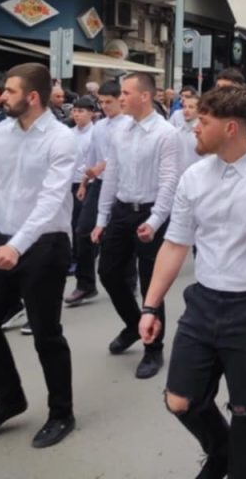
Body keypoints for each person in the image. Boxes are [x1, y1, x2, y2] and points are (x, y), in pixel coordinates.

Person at [140, 84, 246, 478]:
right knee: (180, 400)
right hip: (204, 304)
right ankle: (221, 454)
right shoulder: (194, 177)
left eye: (203, 121)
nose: (194, 128)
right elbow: (175, 244)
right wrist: (150, 306)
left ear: (230, 128)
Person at [0, 62, 77, 448]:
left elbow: (51, 200)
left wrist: (18, 246)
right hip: (2, 239)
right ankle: (9, 399)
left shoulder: (62, 139)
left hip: (45, 244)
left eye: (9, 91)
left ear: (32, 97)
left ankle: (61, 413)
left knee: (46, 334)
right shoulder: (1, 132)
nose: (2, 97)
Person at [92, 72, 181, 380]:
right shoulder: (120, 131)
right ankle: (134, 324)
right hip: (121, 210)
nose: (121, 98)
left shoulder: (166, 134)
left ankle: (153, 348)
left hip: (150, 212)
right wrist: (101, 219)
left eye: (126, 93)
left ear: (145, 96)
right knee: (108, 273)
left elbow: (169, 181)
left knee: (150, 285)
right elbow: (111, 176)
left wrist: (155, 220)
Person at [66, 81, 133, 307]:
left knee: (121, 233)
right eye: (102, 102)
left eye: (109, 102)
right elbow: (92, 158)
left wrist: (101, 167)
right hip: (100, 183)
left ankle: (128, 280)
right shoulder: (100, 127)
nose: (105, 106)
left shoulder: (129, 125)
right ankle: (85, 284)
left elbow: (123, 157)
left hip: (123, 184)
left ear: (120, 100)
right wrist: (85, 182)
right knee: (83, 230)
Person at [69, 96, 96, 280]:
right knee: (72, 222)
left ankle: (82, 258)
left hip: (85, 182)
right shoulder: (69, 133)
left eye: (81, 111)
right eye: (75, 111)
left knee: (82, 224)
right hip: (69, 181)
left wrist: (84, 182)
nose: (77, 115)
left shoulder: (94, 134)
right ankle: (74, 256)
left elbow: (91, 161)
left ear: (91, 113)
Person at [177, 89, 201, 169]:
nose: (186, 110)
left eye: (191, 107)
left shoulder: (203, 133)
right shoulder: (178, 132)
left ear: (199, 110)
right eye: (184, 107)